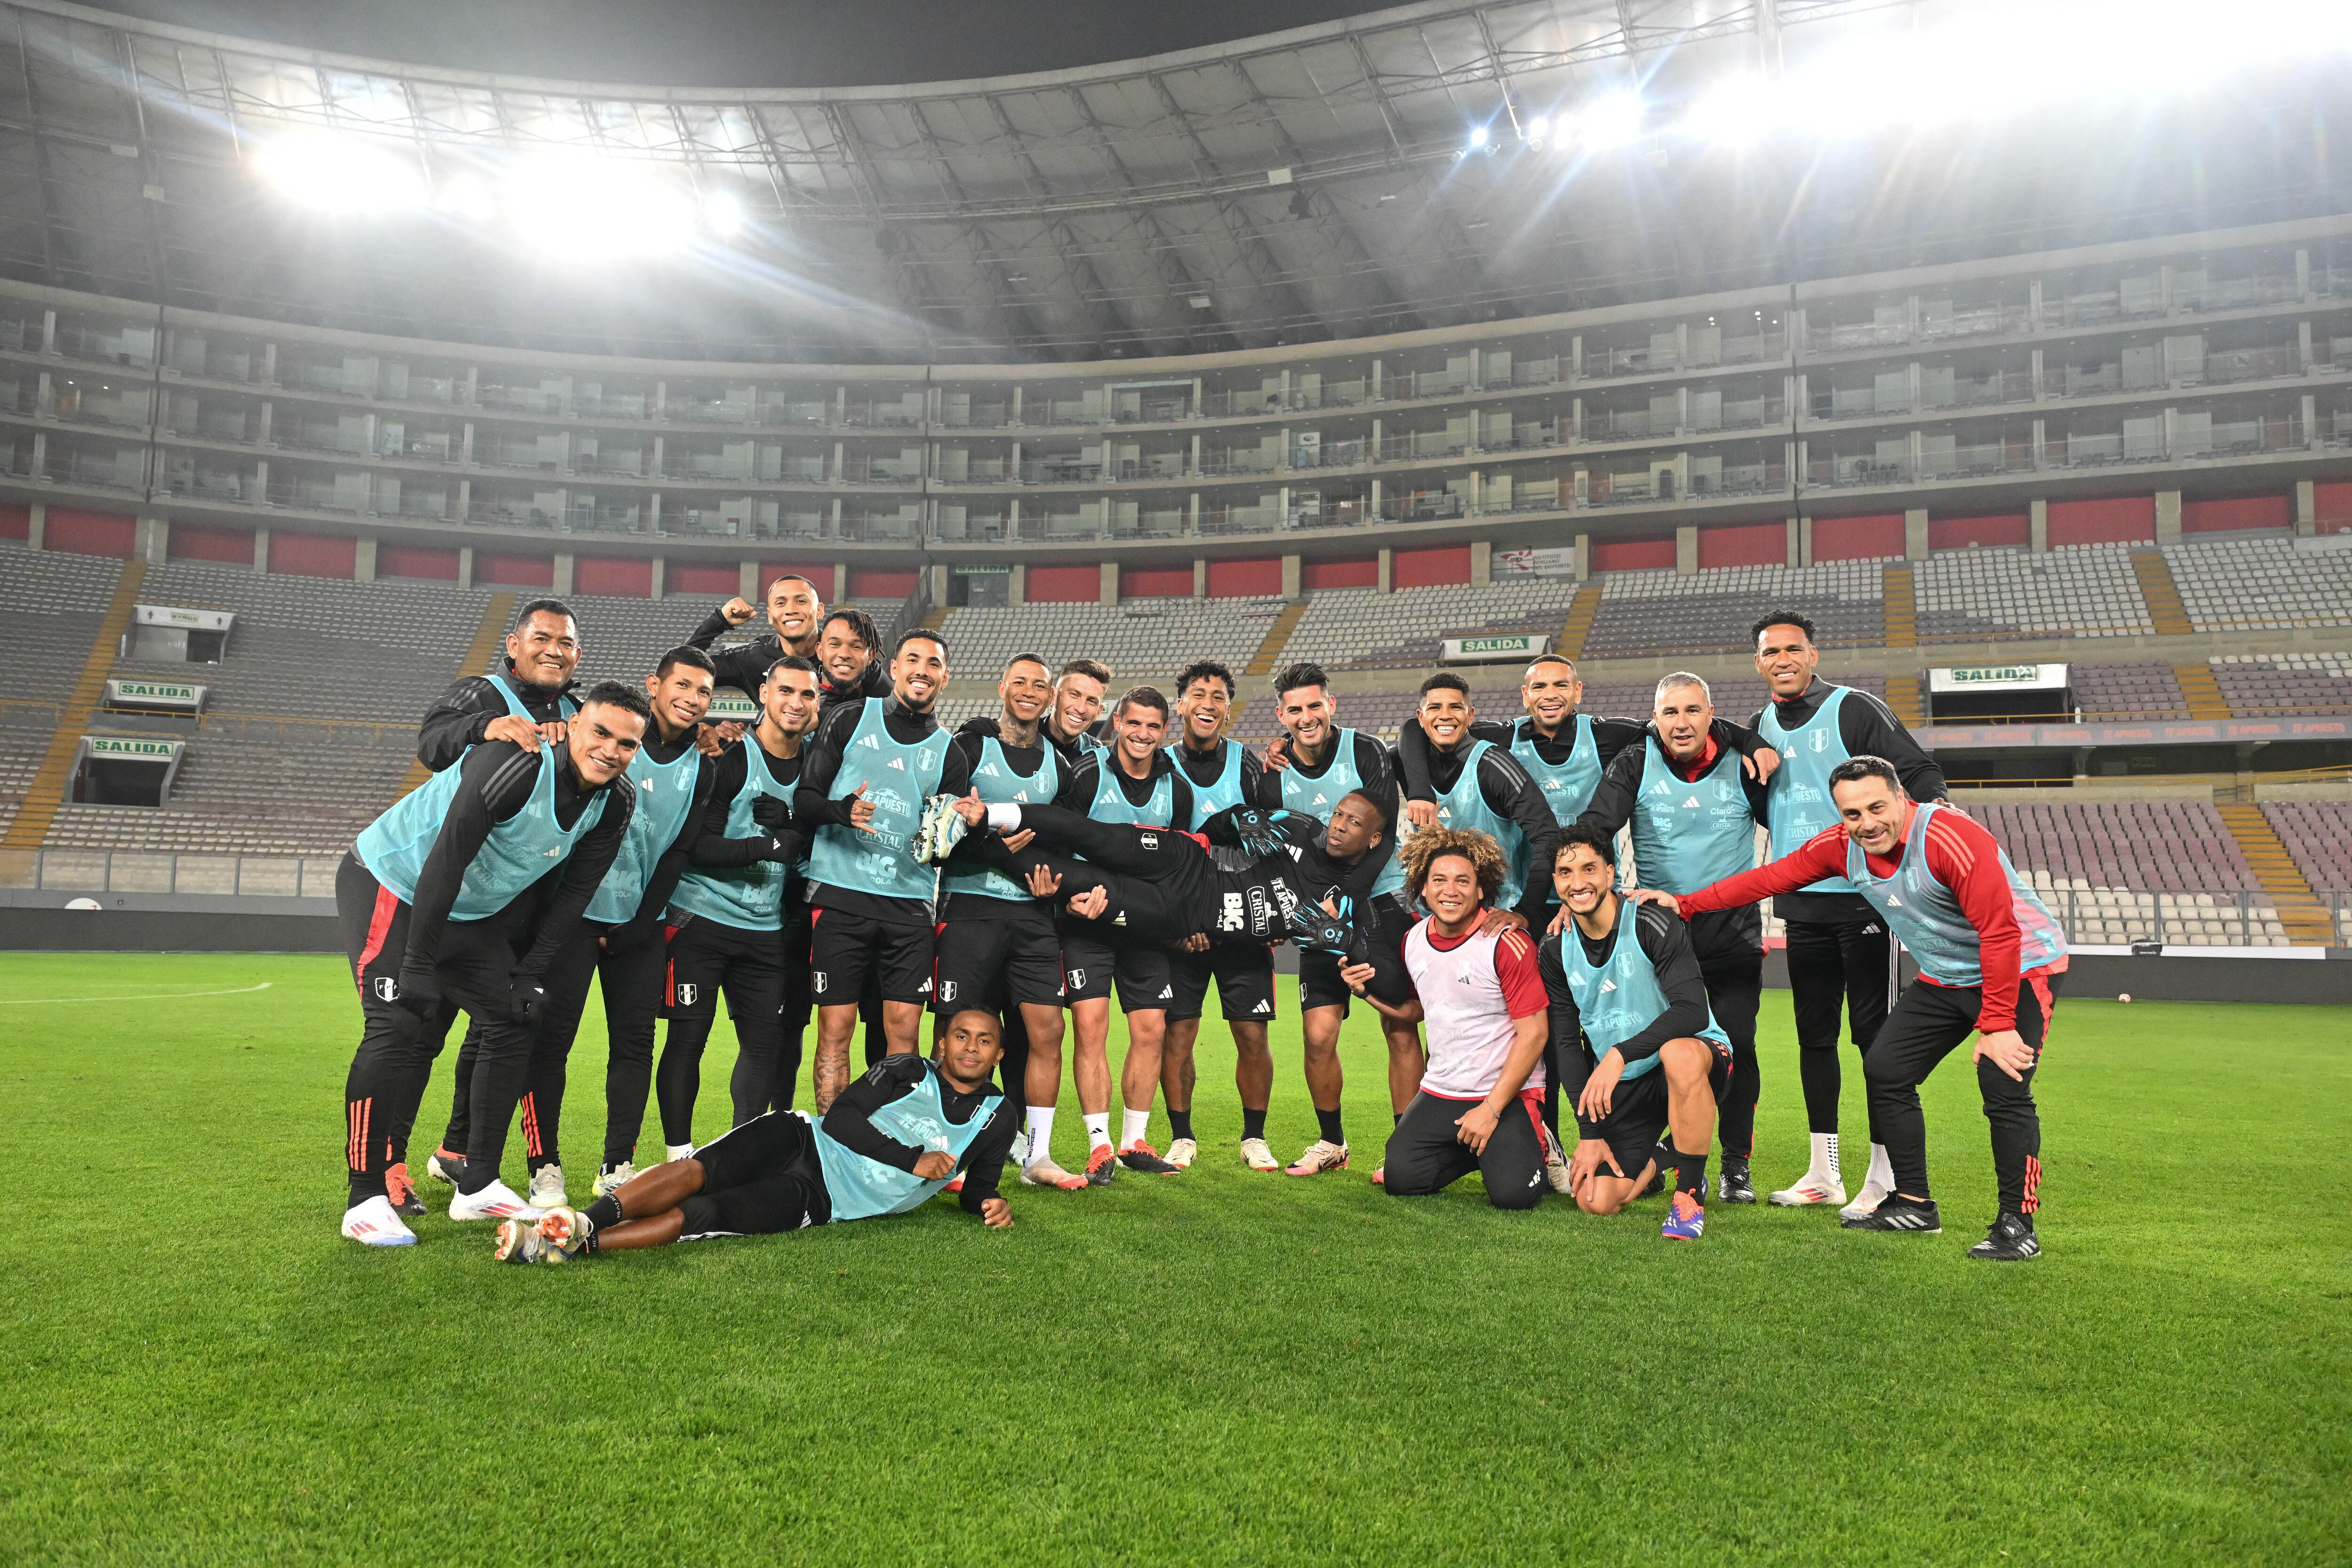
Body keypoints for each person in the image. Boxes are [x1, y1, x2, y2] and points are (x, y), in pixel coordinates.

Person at [1646, 756, 2066, 1261]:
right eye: (1851, 814)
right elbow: (1770, 879)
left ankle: (2016, 1225)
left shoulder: (1950, 838)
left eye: (1876, 808)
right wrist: (1686, 904)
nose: (1866, 824)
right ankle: (1913, 1203)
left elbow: (2000, 933)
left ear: (1901, 799)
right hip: (1946, 977)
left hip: (2021, 968)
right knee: (1886, 1069)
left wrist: (1996, 1025)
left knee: (2003, 1086)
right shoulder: (1840, 849)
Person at [337, 682, 646, 1247]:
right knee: (397, 1024)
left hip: (468, 910)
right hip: (395, 883)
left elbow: (574, 895)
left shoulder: (617, 800)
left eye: (626, 744)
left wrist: (529, 974)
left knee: (513, 1016)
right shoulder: (516, 764)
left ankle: (476, 1183)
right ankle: (363, 1198)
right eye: (600, 732)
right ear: (573, 726)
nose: (610, 750)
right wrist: (418, 964)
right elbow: (446, 858)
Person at [430, 646, 723, 1208]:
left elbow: (679, 851)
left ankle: (618, 1165)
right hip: (568, 919)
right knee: (546, 1043)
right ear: (654, 686)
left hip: (638, 923)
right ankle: (544, 1166)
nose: (691, 698)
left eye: (704, 691)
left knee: (635, 1045)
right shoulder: (587, 739)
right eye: (680, 685)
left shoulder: (703, 765)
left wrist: (642, 921)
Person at [493, 1008, 1017, 1263]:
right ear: (942, 1044)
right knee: (699, 1173)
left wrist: (989, 1205)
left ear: (997, 1054)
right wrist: (912, 1160)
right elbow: (841, 1119)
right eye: (960, 1036)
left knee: (703, 1216)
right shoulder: (907, 1069)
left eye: (984, 1041)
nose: (970, 1048)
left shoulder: (996, 1116)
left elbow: (979, 1188)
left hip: (823, 1198)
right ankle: (587, 1219)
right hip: (803, 1140)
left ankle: (571, 1246)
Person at [1748, 610, 1948, 1215]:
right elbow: (1767, 806)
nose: (1781, 659)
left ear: (1813, 654)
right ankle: (1822, 1173)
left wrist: (1937, 825)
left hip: (1865, 899)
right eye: (1769, 652)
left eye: (1792, 649)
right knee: (1814, 1037)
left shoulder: (1854, 708)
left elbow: (1917, 771)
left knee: (1873, 1040)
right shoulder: (1760, 724)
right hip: (1801, 901)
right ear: (1757, 664)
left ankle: (1883, 1176)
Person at [1572, 671, 1773, 1204]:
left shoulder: (1743, 764)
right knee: (1663, 1050)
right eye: (1668, 713)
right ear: (1654, 720)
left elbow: (1789, 823)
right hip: (1658, 936)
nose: (1680, 722)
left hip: (1730, 933)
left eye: (1691, 711)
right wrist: (1587, 894)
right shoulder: (1636, 761)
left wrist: (1751, 741)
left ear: (1712, 716)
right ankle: (1669, 1152)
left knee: (1737, 1046)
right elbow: (1595, 827)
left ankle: (1733, 1165)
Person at [794, 629, 970, 1109]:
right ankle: (832, 1144)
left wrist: (956, 828)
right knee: (835, 1030)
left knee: (904, 1036)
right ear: (893, 667)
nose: (921, 670)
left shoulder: (950, 753)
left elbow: (934, 852)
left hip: (909, 906)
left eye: (932, 663)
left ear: (944, 677)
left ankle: (893, 1146)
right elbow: (806, 798)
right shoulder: (849, 719)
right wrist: (840, 811)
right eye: (912, 659)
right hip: (839, 896)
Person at [1255, 661, 1417, 1178]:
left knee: (1398, 1026)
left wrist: (1341, 905)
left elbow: (1384, 837)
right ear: (1281, 714)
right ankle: (1332, 1143)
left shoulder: (1365, 751)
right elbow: (1276, 853)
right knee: (1318, 1036)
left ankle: (1406, 1147)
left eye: (1314, 706)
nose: (1306, 718)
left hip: (1380, 905)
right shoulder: (1273, 772)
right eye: (1295, 710)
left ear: (1332, 705)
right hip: (1317, 920)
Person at [656, 657, 822, 1154]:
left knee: (763, 1043)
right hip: (699, 919)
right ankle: (678, 1156)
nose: (796, 703)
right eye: (786, 691)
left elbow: (815, 842)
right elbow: (695, 847)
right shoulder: (729, 758)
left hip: (764, 927)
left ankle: (739, 1149)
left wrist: (794, 829)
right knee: (689, 1039)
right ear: (765, 693)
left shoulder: (817, 769)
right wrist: (769, 847)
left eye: (807, 695)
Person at [934, 654, 1087, 1190]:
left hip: (1032, 917)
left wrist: (1058, 886)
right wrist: (991, 848)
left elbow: (1067, 843)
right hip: (969, 911)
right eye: (1018, 681)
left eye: (1038, 685)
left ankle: (1037, 1157)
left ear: (1050, 698)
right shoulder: (968, 748)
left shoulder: (1062, 767)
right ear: (1001, 687)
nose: (1027, 691)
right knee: (956, 1034)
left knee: (1048, 1030)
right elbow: (938, 832)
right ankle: (945, 1151)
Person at [1542, 827, 1733, 1241]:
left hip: (1697, 1057)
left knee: (1678, 1054)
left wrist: (1619, 1054)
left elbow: (1692, 1010)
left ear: (1611, 873)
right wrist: (1589, 1135)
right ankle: (1666, 1156)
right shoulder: (1555, 948)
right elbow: (1565, 1043)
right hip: (1627, 1079)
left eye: (1589, 868)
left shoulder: (1649, 919)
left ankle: (1689, 1194)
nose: (1578, 883)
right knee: (1596, 1199)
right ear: (1555, 881)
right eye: (1565, 872)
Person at [1351, 829, 1549, 1210]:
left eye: (1463, 881)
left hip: (1503, 1094)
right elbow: (1416, 1011)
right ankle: (1482, 1152)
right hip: (1442, 1090)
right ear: (1423, 888)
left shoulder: (1506, 942)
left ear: (1481, 890)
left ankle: (1534, 1142)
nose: (1450, 890)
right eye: (1438, 880)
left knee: (1513, 1196)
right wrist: (1365, 993)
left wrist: (1491, 1110)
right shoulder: (1413, 940)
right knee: (1402, 1179)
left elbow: (1535, 1034)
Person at [1057, 687, 1194, 1179]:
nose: (1142, 735)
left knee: (1151, 1031)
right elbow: (1057, 841)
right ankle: (1099, 1146)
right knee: (1090, 1028)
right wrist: (1067, 896)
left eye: (1153, 727)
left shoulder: (1176, 789)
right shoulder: (1087, 776)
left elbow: (1180, 863)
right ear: (1116, 722)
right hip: (1086, 925)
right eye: (1134, 724)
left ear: (1164, 732)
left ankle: (1135, 1141)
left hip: (1144, 931)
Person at [415, 598, 581, 772]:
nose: (554, 651)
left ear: (576, 656)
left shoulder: (582, 711)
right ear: (514, 646)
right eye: (541, 639)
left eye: (566, 644)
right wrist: (484, 726)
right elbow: (430, 747)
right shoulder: (477, 693)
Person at [684, 572, 829, 700]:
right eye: (780, 603)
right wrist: (718, 620)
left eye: (801, 601)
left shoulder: (840, 653)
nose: (790, 610)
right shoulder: (752, 658)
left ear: (820, 611)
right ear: (770, 616)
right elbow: (685, 669)